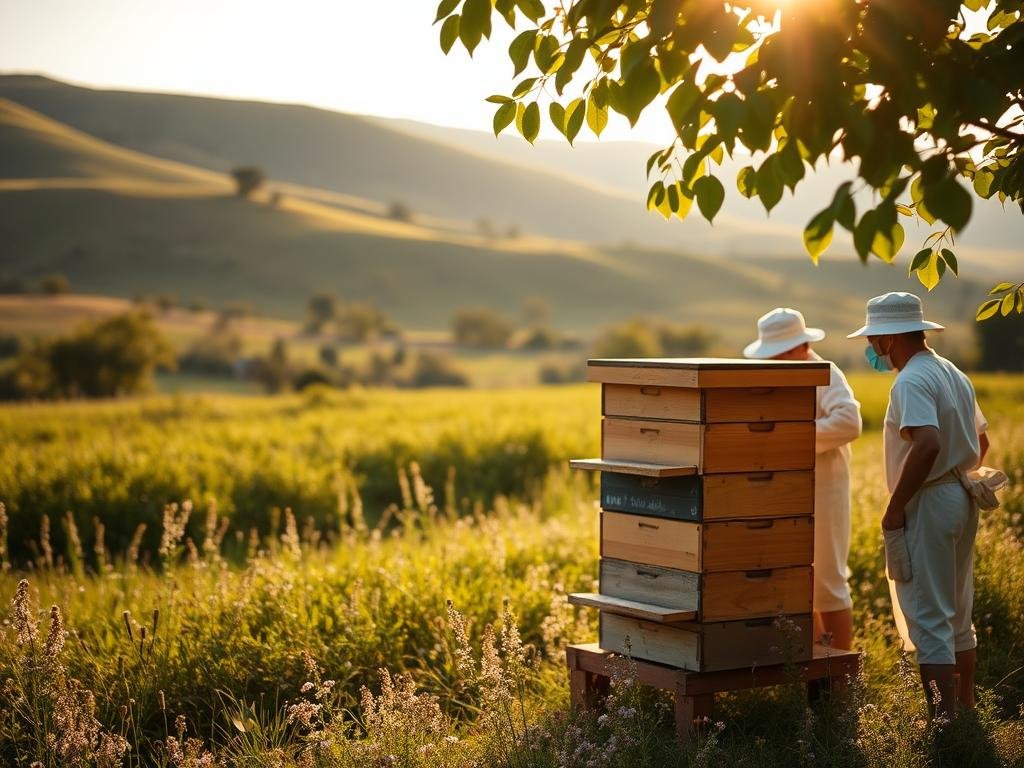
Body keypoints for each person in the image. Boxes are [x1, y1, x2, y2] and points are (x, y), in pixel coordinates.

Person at [847, 292, 989, 720]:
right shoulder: (952, 372)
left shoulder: (910, 381)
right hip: (962, 496)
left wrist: (895, 507)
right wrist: (953, 473)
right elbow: (981, 442)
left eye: (874, 339)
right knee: (957, 613)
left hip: (930, 503)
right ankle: (963, 711)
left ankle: (943, 725)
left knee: (929, 618)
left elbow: (927, 443)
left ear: (890, 338)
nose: (872, 347)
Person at [744, 307, 862, 651]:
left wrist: (790, 438)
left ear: (801, 347)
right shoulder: (779, 376)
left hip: (825, 492)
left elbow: (849, 422)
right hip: (787, 493)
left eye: (781, 353)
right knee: (795, 583)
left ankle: (840, 674)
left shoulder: (826, 374)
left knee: (827, 582)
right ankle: (815, 666)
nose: (776, 361)